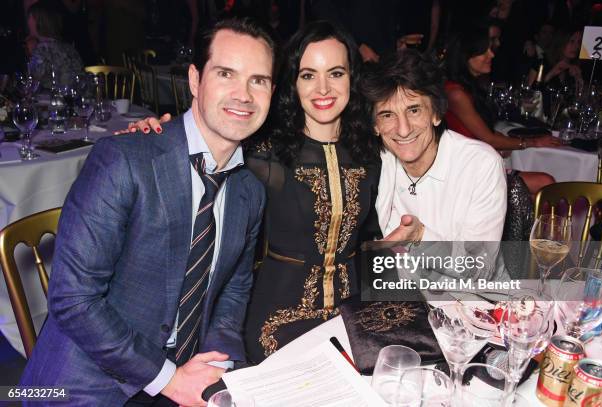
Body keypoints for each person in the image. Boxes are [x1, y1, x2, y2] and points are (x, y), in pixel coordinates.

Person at [20, 17, 274, 406]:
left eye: (258, 80)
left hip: (185, 375)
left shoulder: (249, 193)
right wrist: (168, 379)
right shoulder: (124, 159)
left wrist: (217, 361)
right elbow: (74, 299)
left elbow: (234, 289)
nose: (244, 94)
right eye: (226, 73)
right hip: (87, 382)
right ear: (194, 80)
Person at [122, 21, 385, 365]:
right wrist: (155, 134)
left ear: (352, 77)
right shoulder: (261, 153)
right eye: (308, 75)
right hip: (278, 321)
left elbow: (373, 241)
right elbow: (201, 143)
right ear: (291, 82)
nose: (323, 87)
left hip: (352, 317)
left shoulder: (371, 153)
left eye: (335, 73)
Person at [361, 49, 508, 241]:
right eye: (388, 115)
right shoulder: (377, 162)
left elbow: (479, 267)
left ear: (436, 114)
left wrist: (420, 237)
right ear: (375, 126)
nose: (403, 130)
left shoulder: (480, 165)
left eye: (414, 110)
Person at [445, 25, 559, 195]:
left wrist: (506, 142)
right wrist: (532, 143)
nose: (491, 55)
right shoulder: (455, 93)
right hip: (466, 174)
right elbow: (489, 139)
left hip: (478, 164)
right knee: (545, 183)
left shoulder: (469, 87)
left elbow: (484, 133)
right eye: (484, 51)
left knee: (542, 184)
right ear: (466, 56)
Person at [26, 1, 83, 89]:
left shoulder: (42, 49)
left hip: (52, 100)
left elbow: (33, 85)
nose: (28, 21)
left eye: (30, 17)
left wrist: (30, 53)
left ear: (39, 21)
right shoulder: (69, 48)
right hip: (75, 99)